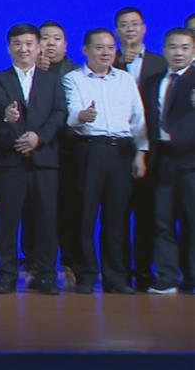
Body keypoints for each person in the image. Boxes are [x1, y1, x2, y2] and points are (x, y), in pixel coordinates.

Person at [63, 28, 148, 294]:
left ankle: (115, 277)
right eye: (99, 47)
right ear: (85, 50)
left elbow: (138, 118)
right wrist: (82, 116)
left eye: (110, 48)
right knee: (84, 216)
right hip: (89, 149)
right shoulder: (73, 78)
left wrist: (141, 152)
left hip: (121, 151)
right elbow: (71, 113)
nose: (106, 52)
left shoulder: (125, 79)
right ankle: (86, 275)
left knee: (117, 218)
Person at [0, 24, 67, 295]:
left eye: (29, 43)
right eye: (17, 44)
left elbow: (59, 113)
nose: (24, 49)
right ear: (9, 48)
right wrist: (15, 131)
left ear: (38, 47)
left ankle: (45, 275)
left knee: (46, 221)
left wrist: (38, 138)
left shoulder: (51, 80)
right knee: (7, 222)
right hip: (10, 161)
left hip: (44, 161)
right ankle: (7, 276)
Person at [113, 7, 168, 291]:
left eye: (135, 24)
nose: (130, 29)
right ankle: (119, 273)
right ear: (117, 30)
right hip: (117, 150)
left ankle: (145, 272)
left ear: (144, 28)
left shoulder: (160, 63)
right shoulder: (109, 60)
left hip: (153, 152)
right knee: (117, 216)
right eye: (124, 25)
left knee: (148, 216)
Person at [142, 28, 195, 294]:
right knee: (162, 221)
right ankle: (166, 278)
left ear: (193, 51)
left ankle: (193, 277)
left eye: (185, 47)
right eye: (173, 47)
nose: (178, 53)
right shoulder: (152, 82)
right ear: (164, 50)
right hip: (162, 159)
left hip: (191, 161)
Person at [39, 20, 80, 290]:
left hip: (68, 153)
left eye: (57, 38)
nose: (50, 43)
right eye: (45, 38)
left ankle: (70, 264)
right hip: (39, 151)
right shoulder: (27, 72)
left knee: (69, 211)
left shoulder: (77, 73)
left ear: (65, 45)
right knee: (37, 212)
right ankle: (36, 265)